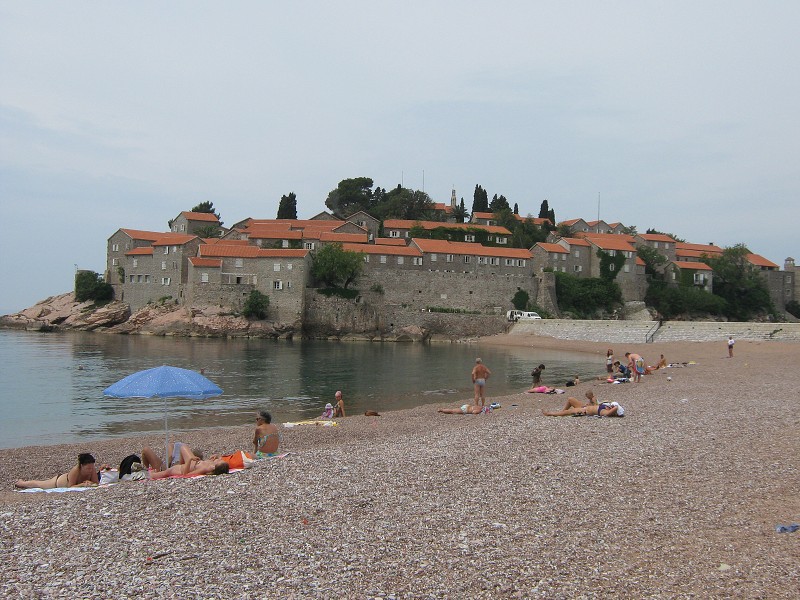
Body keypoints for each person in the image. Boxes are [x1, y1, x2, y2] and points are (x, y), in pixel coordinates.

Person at [15, 453, 101, 489]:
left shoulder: (92, 468)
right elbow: (70, 487)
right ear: (82, 466)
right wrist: (82, 484)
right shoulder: (76, 470)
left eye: (91, 468)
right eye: (88, 468)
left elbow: (96, 483)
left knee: (39, 484)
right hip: (57, 482)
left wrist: (90, 483)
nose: (90, 470)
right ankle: (21, 483)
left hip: (66, 482)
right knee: (39, 484)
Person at [542, 394, 625, 417]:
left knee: (569, 411)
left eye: (612, 407)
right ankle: (562, 411)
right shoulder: (607, 407)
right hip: (584, 406)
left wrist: (615, 408)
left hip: (584, 411)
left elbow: (614, 410)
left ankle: (551, 413)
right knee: (570, 399)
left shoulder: (605, 412)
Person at [148, 457, 229, 479]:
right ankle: (155, 473)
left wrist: (189, 460)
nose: (219, 459)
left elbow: (186, 474)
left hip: (181, 470)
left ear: (214, 467)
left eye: (219, 461)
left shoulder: (206, 469)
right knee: (167, 471)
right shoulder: (211, 465)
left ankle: (153, 475)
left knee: (167, 472)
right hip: (181, 467)